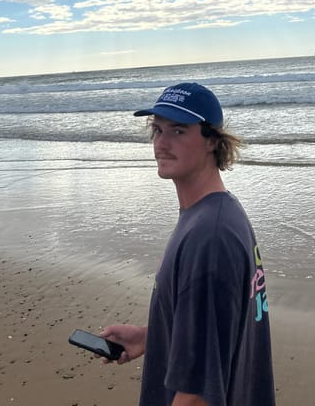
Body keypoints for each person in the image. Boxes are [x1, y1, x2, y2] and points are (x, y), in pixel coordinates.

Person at [100, 82, 276, 406]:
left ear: (212, 140)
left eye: (178, 131)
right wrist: (151, 337)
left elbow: (197, 396)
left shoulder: (210, 238)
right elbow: (215, 330)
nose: (162, 144)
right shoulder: (219, 214)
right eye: (157, 130)